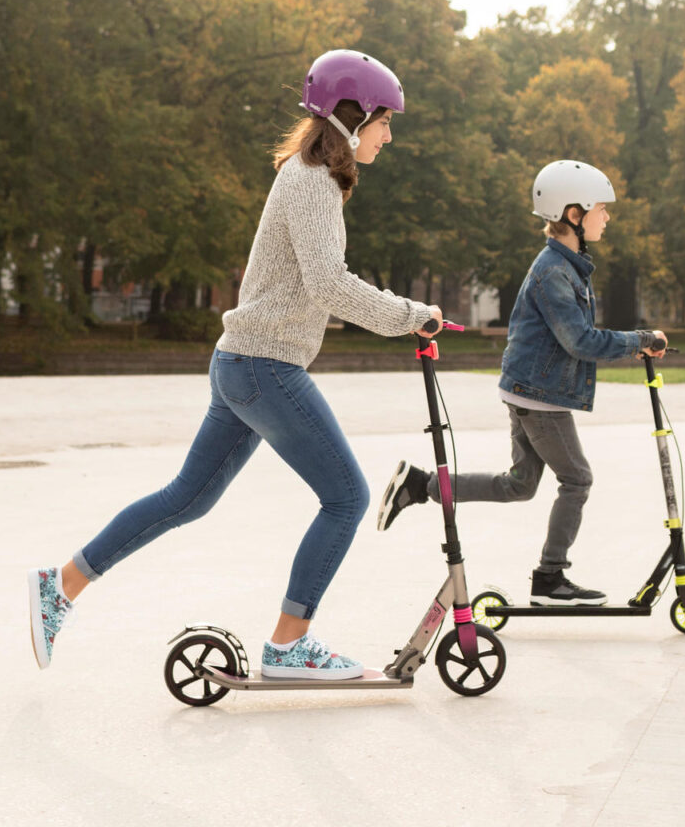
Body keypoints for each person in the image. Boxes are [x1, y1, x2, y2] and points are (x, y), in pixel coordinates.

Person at [27, 49, 441, 678]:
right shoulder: (312, 183)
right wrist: (412, 313)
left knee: (185, 498)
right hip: (264, 366)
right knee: (348, 497)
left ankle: (59, 586)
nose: (390, 134)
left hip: (243, 364)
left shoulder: (307, 178)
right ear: (353, 117)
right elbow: (331, 283)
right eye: (386, 120)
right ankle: (288, 646)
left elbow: (317, 283)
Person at [375, 160, 665, 605]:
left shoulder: (567, 266)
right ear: (574, 214)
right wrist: (641, 339)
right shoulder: (554, 272)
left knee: (520, 485)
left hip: (530, 390)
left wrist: (635, 345)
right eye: (601, 209)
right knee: (578, 480)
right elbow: (580, 341)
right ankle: (550, 577)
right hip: (539, 396)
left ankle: (421, 485)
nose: (607, 217)